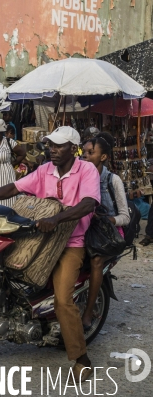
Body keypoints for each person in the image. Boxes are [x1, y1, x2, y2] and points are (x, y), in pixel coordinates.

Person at [0, 126, 100, 382]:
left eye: (59, 145)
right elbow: (15, 188)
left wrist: (57, 218)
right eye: (50, 145)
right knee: (2, 269)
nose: (53, 149)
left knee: (63, 300)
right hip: (37, 236)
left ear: (74, 148)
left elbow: (88, 203)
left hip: (71, 241)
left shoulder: (86, 169)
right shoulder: (44, 170)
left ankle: (82, 359)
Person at [81, 133, 130, 331]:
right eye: (83, 152)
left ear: (103, 157)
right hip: (84, 230)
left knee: (96, 261)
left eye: (91, 153)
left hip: (107, 235)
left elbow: (125, 217)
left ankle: (88, 312)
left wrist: (106, 219)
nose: (85, 156)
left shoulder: (113, 180)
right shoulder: (79, 176)